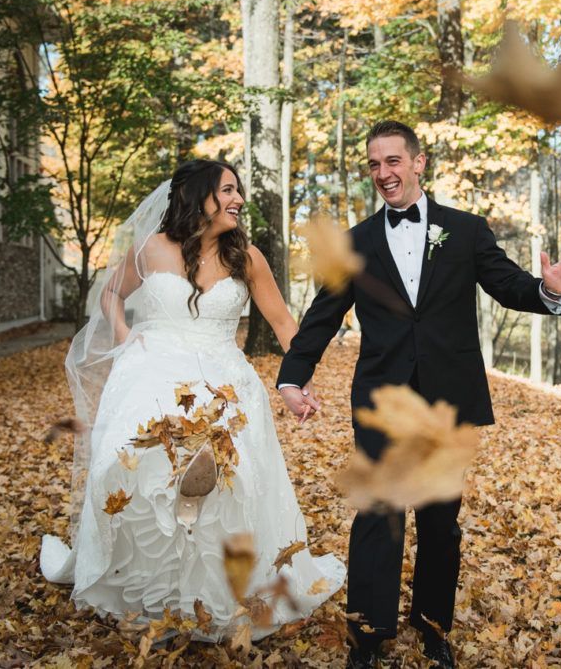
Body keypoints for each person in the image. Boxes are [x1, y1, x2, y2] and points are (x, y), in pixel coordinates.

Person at [277, 121, 561, 668]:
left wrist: (549, 288)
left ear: (419, 162)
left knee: (439, 520)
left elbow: (509, 285)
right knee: (379, 513)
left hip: (448, 397)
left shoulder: (466, 230)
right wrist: (292, 376)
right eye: (375, 165)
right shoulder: (356, 242)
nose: (384, 174)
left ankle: (431, 625)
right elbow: (323, 316)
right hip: (381, 397)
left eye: (394, 161)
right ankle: (369, 634)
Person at [40, 160, 344, 641]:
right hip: (151, 371)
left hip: (223, 377)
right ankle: (146, 585)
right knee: (128, 465)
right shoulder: (150, 249)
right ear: (197, 196)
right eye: (227, 190)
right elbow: (111, 297)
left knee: (231, 482)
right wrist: (124, 335)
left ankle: (211, 593)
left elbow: (286, 326)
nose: (238, 199)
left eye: (238, 190)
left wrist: (296, 384)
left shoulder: (248, 257)